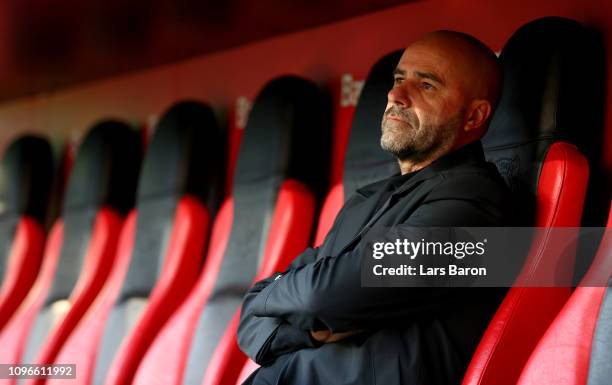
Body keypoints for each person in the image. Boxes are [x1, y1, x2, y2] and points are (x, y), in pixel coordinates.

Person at [237, 30, 511, 385]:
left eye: (426, 85)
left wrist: (280, 295)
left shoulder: (473, 203)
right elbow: (250, 313)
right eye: (399, 79)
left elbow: (322, 296)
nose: (396, 95)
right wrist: (304, 330)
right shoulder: (366, 200)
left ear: (474, 116)